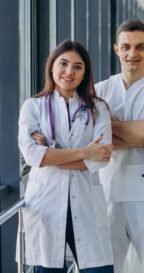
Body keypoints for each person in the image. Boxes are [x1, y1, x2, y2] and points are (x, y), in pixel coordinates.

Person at [18, 40, 114, 273]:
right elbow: (33, 156)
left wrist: (52, 151)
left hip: (86, 204)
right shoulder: (33, 107)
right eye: (63, 63)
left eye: (78, 67)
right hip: (46, 206)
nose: (69, 71)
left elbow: (100, 158)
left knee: (99, 269)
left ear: (85, 73)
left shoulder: (98, 109)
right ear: (52, 66)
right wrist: (84, 152)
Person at [95, 20, 144, 273]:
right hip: (108, 191)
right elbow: (96, 141)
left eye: (140, 47)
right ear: (116, 49)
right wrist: (139, 134)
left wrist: (110, 124)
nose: (133, 54)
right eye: (126, 47)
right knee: (107, 267)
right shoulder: (100, 90)